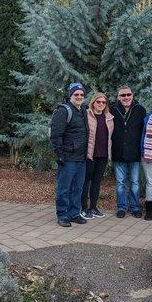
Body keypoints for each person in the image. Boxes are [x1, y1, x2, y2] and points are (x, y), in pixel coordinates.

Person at [50, 82, 89, 227]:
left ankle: (74, 213)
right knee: (64, 188)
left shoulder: (83, 110)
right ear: (70, 95)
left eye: (81, 95)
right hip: (68, 158)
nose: (79, 97)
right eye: (76, 94)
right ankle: (62, 215)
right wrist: (59, 154)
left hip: (81, 157)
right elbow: (55, 135)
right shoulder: (63, 111)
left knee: (78, 188)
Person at [110, 86, 146, 218]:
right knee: (120, 182)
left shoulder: (140, 109)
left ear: (132, 95)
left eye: (128, 94)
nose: (126, 97)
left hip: (134, 152)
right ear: (118, 97)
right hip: (118, 152)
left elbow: (144, 130)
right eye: (123, 95)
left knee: (135, 182)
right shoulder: (112, 109)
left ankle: (135, 207)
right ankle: (121, 207)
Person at [81, 92, 114, 220]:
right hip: (90, 155)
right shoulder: (87, 115)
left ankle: (93, 207)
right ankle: (83, 208)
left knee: (96, 182)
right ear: (93, 102)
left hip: (103, 155)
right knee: (85, 182)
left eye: (103, 102)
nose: (101, 104)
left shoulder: (109, 117)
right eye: (98, 102)